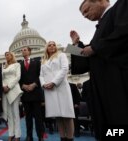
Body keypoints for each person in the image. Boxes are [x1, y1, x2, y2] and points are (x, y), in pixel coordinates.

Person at [70, 0, 128, 140]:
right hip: (103, 91)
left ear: (102, 1)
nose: (85, 15)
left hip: (119, 85)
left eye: (87, 10)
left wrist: (95, 48)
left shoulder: (121, 6)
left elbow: (123, 33)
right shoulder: (99, 28)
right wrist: (75, 45)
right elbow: (84, 64)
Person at [39, 41, 75, 141]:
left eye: (54, 44)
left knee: (67, 115)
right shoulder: (44, 60)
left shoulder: (61, 55)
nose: (52, 46)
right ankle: (62, 138)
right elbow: (41, 75)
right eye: (49, 45)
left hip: (61, 87)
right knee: (58, 116)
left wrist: (54, 82)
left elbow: (64, 69)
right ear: (46, 48)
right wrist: (43, 84)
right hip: (49, 90)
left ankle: (70, 138)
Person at [19, 46, 44, 141]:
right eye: (22, 50)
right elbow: (18, 78)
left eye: (24, 50)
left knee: (38, 117)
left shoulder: (37, 62)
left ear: (29, 52)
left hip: (36, 92)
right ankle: (29, 136)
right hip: (25, 94)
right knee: (28, 117)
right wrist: (23, 85)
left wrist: (35, 84)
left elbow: (41, 75)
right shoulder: (19, 64)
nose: (23, 51)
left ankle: (40, 136)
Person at [2, 52, 22, 141]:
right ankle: (11, 134)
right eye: (6, 55)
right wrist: (4, 86)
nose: (7, 56)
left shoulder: (17, 64)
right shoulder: (4, 67)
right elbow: (2, 78)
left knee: (15, 113)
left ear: (12, 56)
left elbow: (18, 77)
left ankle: (17, 135)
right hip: (5, 90)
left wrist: (9, 86)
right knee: (9, 114)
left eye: (8, 55)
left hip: (14, 89)